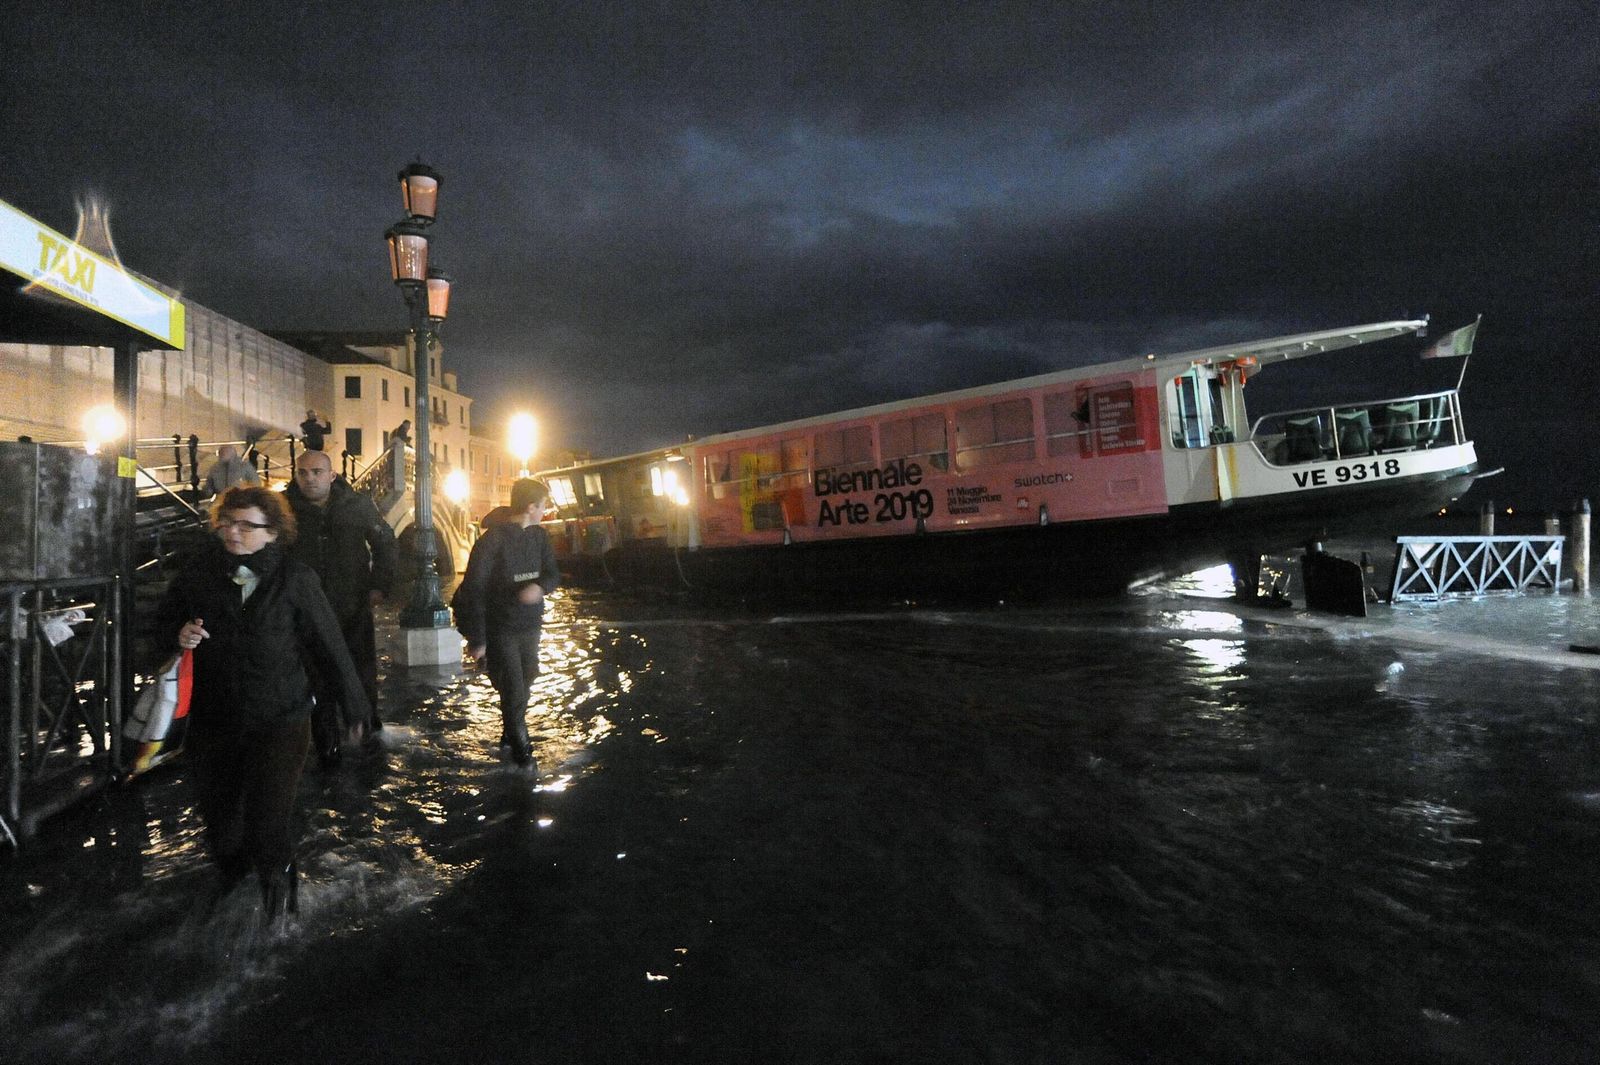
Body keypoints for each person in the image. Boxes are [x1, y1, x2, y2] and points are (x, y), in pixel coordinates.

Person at [156, 485, 369, 919]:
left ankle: (280, 913)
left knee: (267, 823)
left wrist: (355, 706)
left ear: (272, 532)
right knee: (221, 828)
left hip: (281, 719)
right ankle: (234, 891)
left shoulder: (295, 579)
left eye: (246, 525)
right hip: (214, 720)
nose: (233, 532)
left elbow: (330, 645)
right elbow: (160, 625)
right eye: (227, 523)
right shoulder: (199, 574)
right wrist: (178, 636)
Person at [284, 448, 397, 766]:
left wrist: (378, 585)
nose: (310, 479)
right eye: (303, 473)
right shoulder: (284, 509)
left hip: (352, 605)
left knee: (361, 671)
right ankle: (327, 744)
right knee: (315, 678)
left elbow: (385, 542)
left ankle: (368, 732)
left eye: (317, 472)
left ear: (332, 476)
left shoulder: (357, 506)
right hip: (306, 613)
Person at [454, 478, 560, 767]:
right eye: (543, 506)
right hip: (501, 626)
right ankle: (523, 755)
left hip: (531, 625)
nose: (545, 512)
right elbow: (474, 589)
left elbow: (553, 573)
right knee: (513, 687)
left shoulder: (539, 537)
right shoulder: (492, 541)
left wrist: (539, 587)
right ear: (530, 507)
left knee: (528, 678)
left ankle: (508, 734)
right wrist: (477, 640)